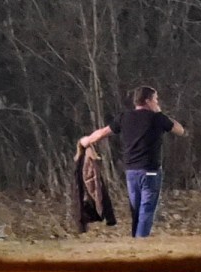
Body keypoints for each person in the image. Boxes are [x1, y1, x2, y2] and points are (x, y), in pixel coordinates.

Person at [79, 86, 187, 237]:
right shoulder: (158, 118)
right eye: (155, 99)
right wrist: (160, 113)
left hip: (131, 172)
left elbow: (103, 132)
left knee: (136, 210)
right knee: (147, 209)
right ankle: (140, 243)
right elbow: (180, 130)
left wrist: (86, 141)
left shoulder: (125, 117)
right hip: (150, 171)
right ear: (148, 101)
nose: (157, 102)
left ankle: (135, 241)